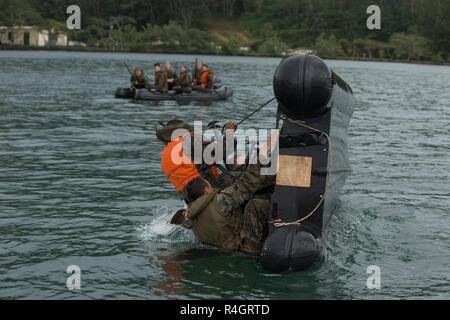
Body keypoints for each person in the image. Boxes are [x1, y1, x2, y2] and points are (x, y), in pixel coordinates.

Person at [170, 164, 275, 255]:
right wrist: (261, 160)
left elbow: (177, 220)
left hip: (224, 248)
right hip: (245, 249)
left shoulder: (188, 217)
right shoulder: (221, 201)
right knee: (254, 205)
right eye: (210, 185)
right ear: (206, 189)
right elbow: (245, 185)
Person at [157, 120, 233, 202]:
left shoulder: (168, 150)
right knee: (239, 177)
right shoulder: (188, 140)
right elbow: (221, 151)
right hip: (205, 187)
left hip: (190, 195)